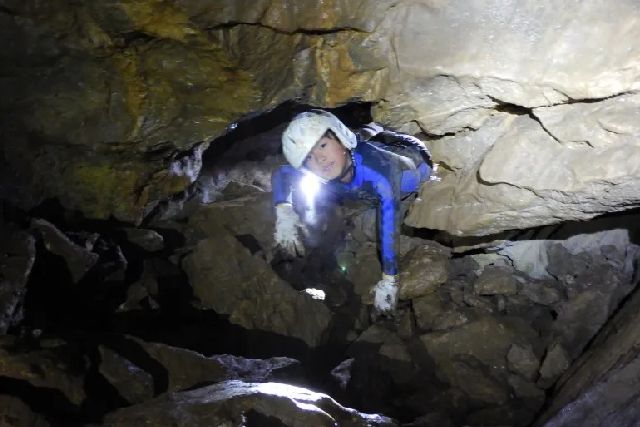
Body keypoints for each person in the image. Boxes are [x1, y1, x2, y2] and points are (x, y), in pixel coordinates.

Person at [271, 109, 432, 317]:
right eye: (309, 156)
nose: (319, 159)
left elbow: (388, 227)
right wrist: (283, 212)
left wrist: (389, 280)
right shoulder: (330, 161)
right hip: (358, 151)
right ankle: (371, 129)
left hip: (413, 158)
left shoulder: (378, 176)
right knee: (355, 148)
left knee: (369, 224)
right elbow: (281, 173)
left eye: (322, 145)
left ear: (340, 140)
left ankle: (376, 130)